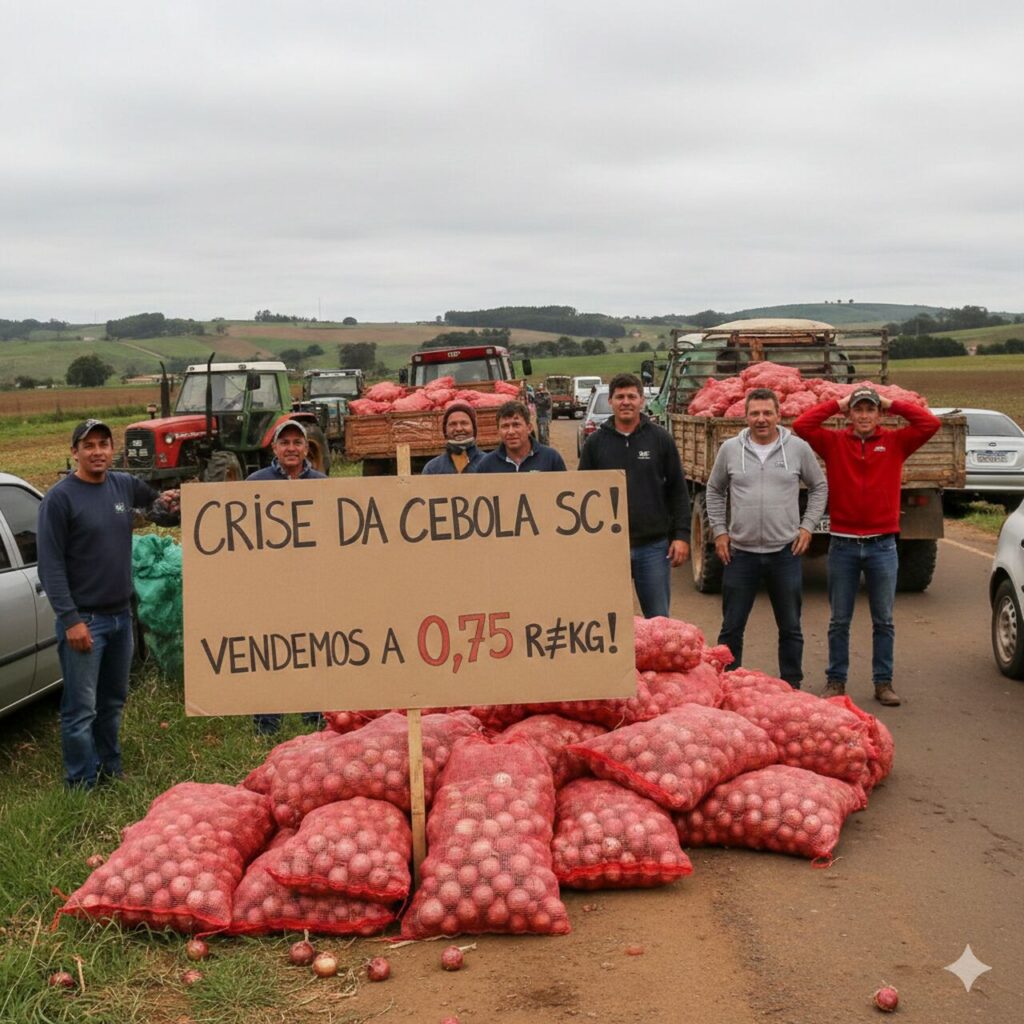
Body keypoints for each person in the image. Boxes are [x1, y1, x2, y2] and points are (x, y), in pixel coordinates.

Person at [37, 419, 180, 789]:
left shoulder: (122, 484)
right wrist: (70, 620)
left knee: (113, 701)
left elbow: (157, 510)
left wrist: (175, 505)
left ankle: (109, 770)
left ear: (111, 449)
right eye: (89, 446)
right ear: (75, 453)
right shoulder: (60, 498)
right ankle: (81, 782)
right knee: (80, 709)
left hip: (121, 616)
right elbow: (50, 565)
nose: (97, 452)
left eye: (103, 444)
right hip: (86, 619)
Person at [794, 386, 940, 706]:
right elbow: (802, 426)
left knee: (883, 620)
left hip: (882, 546)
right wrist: (837, 402)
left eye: (870, 409)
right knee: (839, 620)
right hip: (844, 546)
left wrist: (892, 403)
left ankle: (883, 683)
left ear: (879, 414)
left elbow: (930, 424)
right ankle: (836, 681)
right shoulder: (834, 443)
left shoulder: (896, 443)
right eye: (858, 409)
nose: (863, 415)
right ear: (849, 414)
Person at [706, 387, 828, 689]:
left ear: (779, 415)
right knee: (732, 627)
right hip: (740, 554)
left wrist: (807, 526)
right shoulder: (730, 449)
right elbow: (714, 489)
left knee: (790, 627)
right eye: (755, 413)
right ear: (745, 416)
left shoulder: (797, 448)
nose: (761, 419)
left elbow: (819, 486)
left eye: (767, 413)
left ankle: (791, 685)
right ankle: (728, 684)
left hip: (784, 553)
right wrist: (719, 530)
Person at [578, 373, 690, 618]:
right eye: (620, 397)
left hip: (653, 547)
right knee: (608, 620)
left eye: (631, 396)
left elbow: (678, 492)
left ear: (642, 401)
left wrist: (681, 536)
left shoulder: (660, 439)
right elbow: (582, 496)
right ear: (611, 402)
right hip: (608, 548)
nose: (626, 402)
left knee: (658, 619)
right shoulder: (595, 443)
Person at [246, 419, 326, 733]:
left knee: (313, 647)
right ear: (275, 448)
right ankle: (267, 721)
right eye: (285, 443)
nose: (291, 449)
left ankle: (314, 716)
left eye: (297, 443)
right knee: (268, 649)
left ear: (307, 448)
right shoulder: (255, 482)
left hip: (310, 581)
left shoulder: (321, 483)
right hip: (270, 583)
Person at [472, 400, 567, 473]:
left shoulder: (551, 459)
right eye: (505, 426)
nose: (511, 432)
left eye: (516, 425)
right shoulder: (486, 465)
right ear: (498, 431)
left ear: (529, 428)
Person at [422, 401, 486, 474]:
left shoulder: (490, 464)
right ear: (445, 430)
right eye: (453, 424)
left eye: (464, 423)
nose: (459, 429)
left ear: (474, 428)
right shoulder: (432, 468)